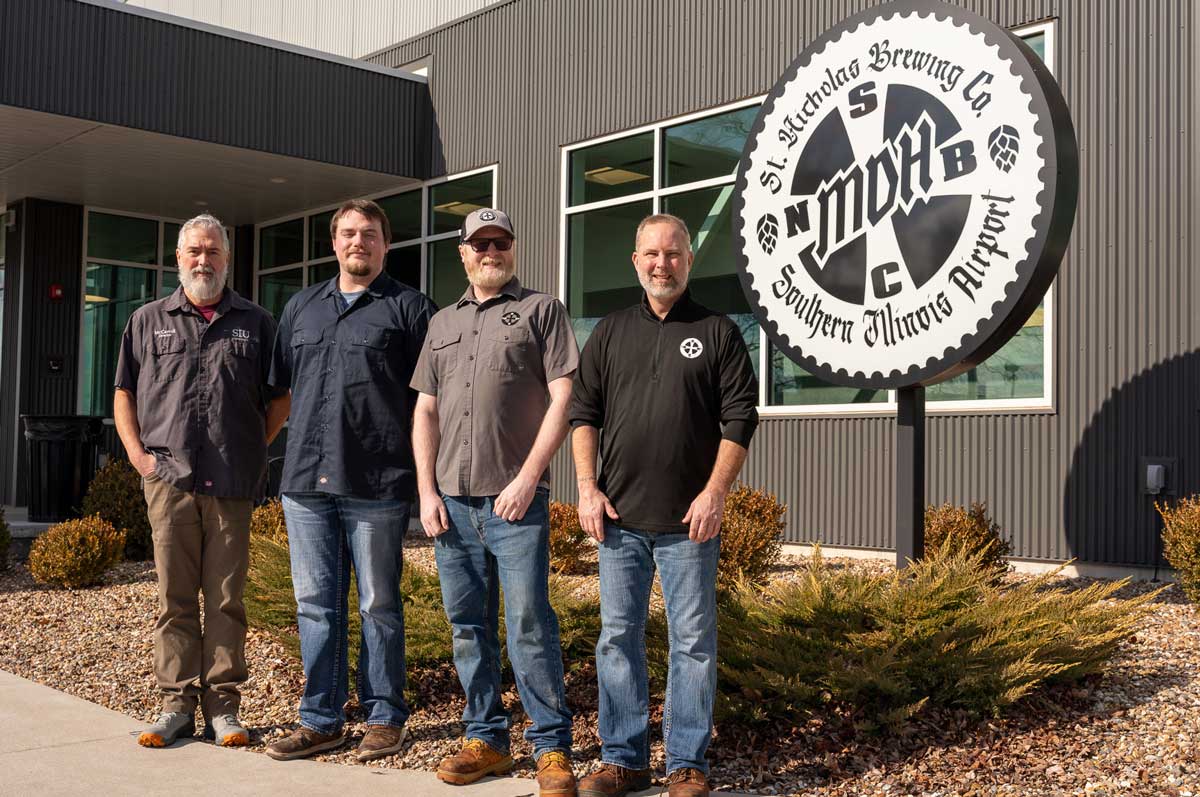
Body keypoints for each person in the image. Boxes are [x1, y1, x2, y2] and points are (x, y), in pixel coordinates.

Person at [569, 214, 759, 797]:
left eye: (672, 253)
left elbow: (740, 418)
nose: (661, 263)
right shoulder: (609, 332)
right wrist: (586, 488)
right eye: (651, 253)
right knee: (617, 637)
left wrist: (715, 493)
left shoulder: (719, 330)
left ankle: (685, 763)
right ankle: (623, 759)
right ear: (635, 261)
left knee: (693, 643)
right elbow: (584, 414)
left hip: (689, 524)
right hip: (619, 520)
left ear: (688, 260)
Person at [411, 208, 579, 796]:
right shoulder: (441, 323)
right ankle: (486, 737)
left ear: (513, 247)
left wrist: (529, 477)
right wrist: (427, 491)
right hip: (451, 506)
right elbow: (425, 410)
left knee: (529, 623)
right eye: (479, 243)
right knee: (466, 625)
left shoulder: (541, 311)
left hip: (515, 504)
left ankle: (552, 747)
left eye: (500, 241)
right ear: (462, 253)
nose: (490, 251)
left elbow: (565, 399)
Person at [265, 199, 434, 762]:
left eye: (368, 234)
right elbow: (282, 391)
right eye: (347, 234)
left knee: (379, 604)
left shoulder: (410, 310)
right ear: (333, 243)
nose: (357, 242)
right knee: (315, 602)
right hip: (305, 481)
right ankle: (321, 718)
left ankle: (386, 716)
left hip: (377, 481)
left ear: (386, 244)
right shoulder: (301, 308)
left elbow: (428, 402)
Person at [114, 213, 291, 748]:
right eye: (194, 251)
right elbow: (124, 392)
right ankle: (175, 704)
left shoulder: (256, 322)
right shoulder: (148, 321)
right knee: (173, 597)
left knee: (226, 599)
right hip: (168, 481)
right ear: (178, 258)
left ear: (227, 259)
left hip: (233, 485)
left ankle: (223, 709)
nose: (203, 260)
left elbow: (279, 397)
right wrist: (138, 456)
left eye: (213, 252)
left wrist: (251, 447)